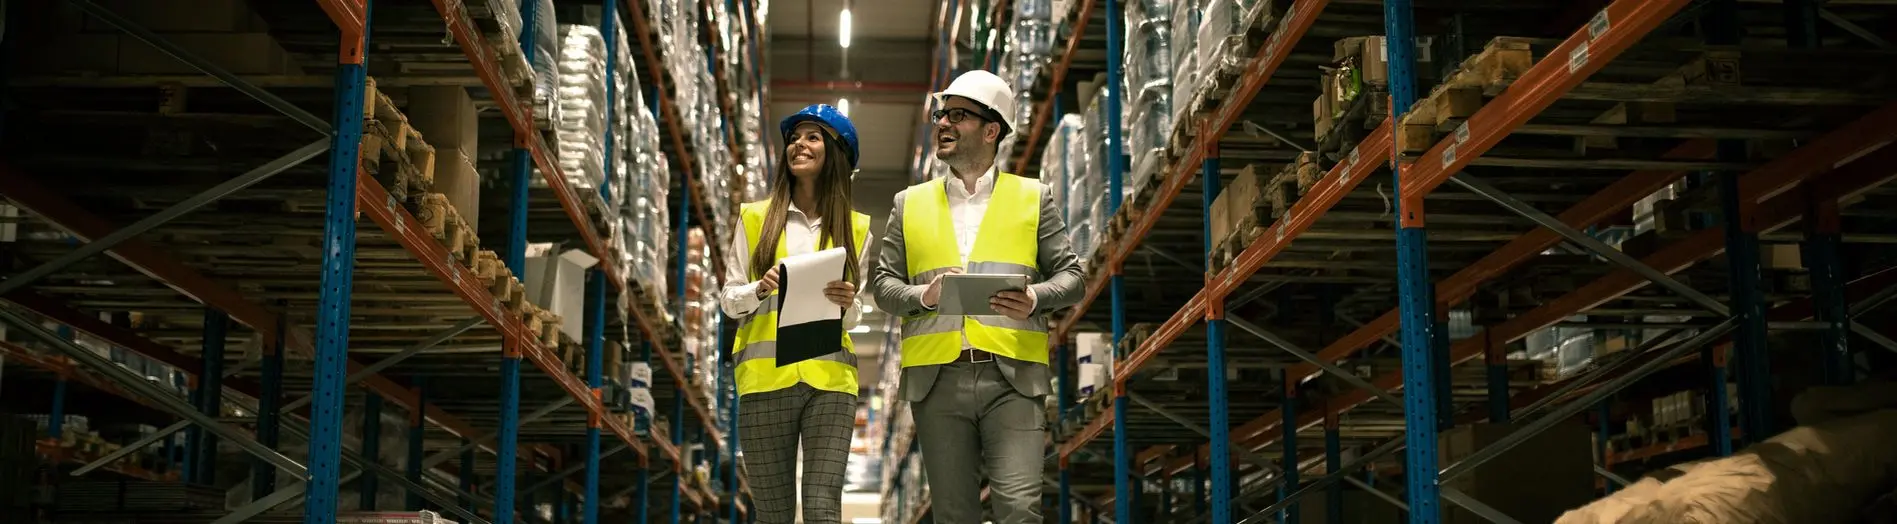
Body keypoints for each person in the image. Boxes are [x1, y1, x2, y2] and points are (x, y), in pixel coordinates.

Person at [869, 70, 1086, 524]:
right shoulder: (908, 204)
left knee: (1020, 509)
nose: (943, 123)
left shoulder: (1032, 197)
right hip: (938, 380)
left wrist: (1035, 297)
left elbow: (1073, 278)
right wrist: (924, 296)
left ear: (992, 131)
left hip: (1012, 378)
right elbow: (883, 288)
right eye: (941, 115)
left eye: (958, 115)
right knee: (954, 514)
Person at [719, 104, 873, 524]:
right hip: (766, 379)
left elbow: (855, 317)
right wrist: (760, 287)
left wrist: (847, 303)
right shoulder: (754, 219)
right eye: (793, 137)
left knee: (823, 507)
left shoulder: (857, 228)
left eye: (812, 137)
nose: (798, 144)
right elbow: (729, 300)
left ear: (836, 153)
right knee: (773, 514)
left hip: (831, 380)